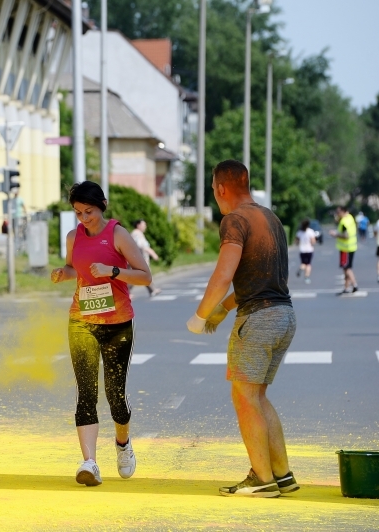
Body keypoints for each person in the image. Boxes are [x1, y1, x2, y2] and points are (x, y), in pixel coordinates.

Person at [187, 159, 296, 498]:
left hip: (258, 319)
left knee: (245, 397)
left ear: (221, 188)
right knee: (258, 396)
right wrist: (223, 309)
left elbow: (224, 274)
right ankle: (282, 474)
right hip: (283, 315)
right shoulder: (270, 218)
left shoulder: (234, 220)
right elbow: (261, 278)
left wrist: (200, 316)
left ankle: (262, 479)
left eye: (213, 190)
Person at [50, 181, 153, 487]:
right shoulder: (74, 237)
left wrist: (113, 271)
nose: (84, 218)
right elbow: (74, 269)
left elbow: (145, 276)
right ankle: (90, 463)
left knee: (115, 395)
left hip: (117, 322)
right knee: (86, 392)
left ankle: (123, 443)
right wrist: (63, 273)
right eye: (78, 213)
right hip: (81, 320)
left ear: (102, 205)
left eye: (89, 211)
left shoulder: (118, 234)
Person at [330, 206, 358, 295]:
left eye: (338, 212)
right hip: (351, 246)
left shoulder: (344, 222)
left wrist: (335, 234)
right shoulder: (350, 217)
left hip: (345, 248)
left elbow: (346, 236)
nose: (337, 214)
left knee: (346, 268)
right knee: (346, 267)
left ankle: (354, 284)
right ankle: (346, 287)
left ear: (343, 212)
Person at [129, 219, 162, 297]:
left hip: (138, 260)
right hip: (137, 260)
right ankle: (127, 293)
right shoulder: (136, 234)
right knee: (136, 277)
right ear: (138, 225)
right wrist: (153, 254)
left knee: (142, 276)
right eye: (144, 225)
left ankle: (152, 290)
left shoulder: (138, 233)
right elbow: (142, 246)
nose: (145, 227)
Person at [295, 219, 316, 284]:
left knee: (303, 263)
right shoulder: (310, 231)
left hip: (302, 250)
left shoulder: (299, 232)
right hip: (309, 250)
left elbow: (297, 241)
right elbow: (313, 241)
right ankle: (306, 277)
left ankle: (301, 268)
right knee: (308, 264)